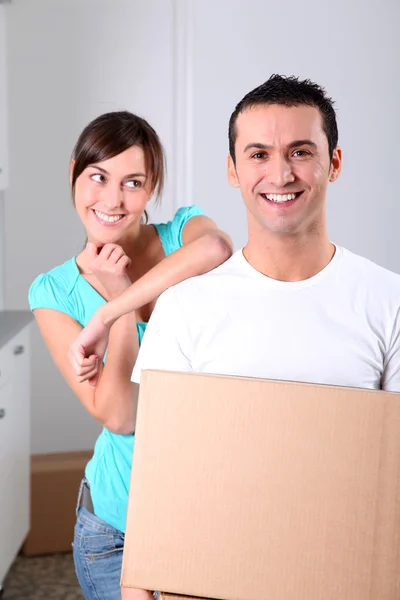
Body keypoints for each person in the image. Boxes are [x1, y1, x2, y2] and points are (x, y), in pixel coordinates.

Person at [109, 75, 400, 598]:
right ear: (233, 169)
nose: (280, 173)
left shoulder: (389, 302)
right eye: (259, 154)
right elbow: (160, 484)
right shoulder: (184, 308)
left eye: (301, 151)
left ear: (334, 163)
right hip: (210, 582)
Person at [29, 110, 233, 600]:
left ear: (152, 187)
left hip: (206, 503)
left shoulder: (182, 232)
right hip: (117, 526)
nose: (113, 200)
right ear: (74, 172)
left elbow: (220, 248)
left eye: (133, 182)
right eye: (98, 177)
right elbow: (121, 415)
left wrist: (107, 312)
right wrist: (122, 308)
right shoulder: (53, 292)